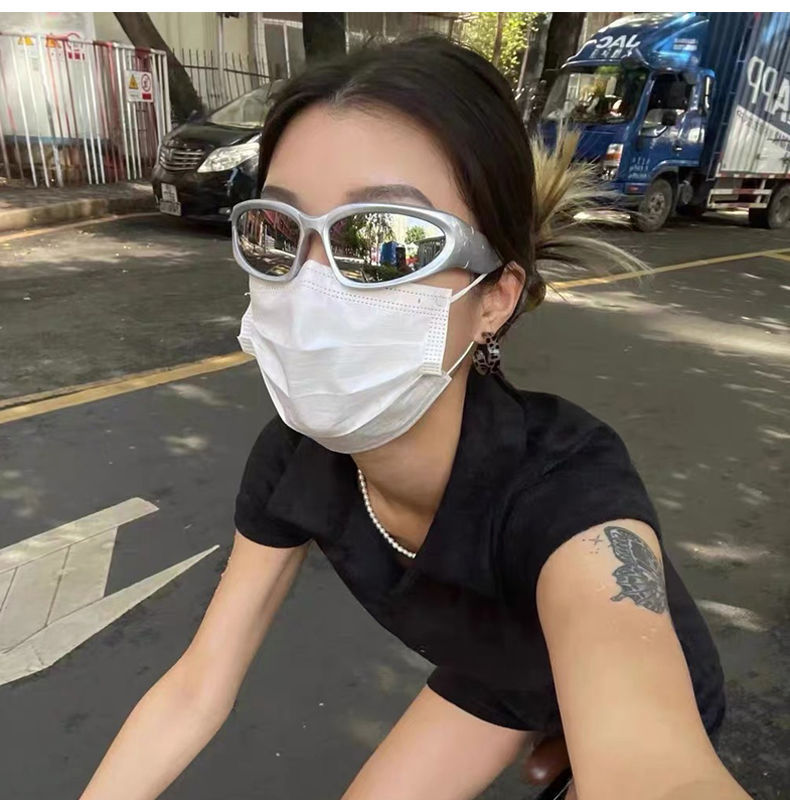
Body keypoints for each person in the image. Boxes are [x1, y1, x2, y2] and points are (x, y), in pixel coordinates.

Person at [80, 36, 751, 800]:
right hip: (496, 669)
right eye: (278, 232)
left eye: (386, 242)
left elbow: (661, 772)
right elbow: (197, 687)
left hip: (653, 694)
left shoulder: (565, 490)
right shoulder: (293, 460)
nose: (311, 286)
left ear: (494, 298)